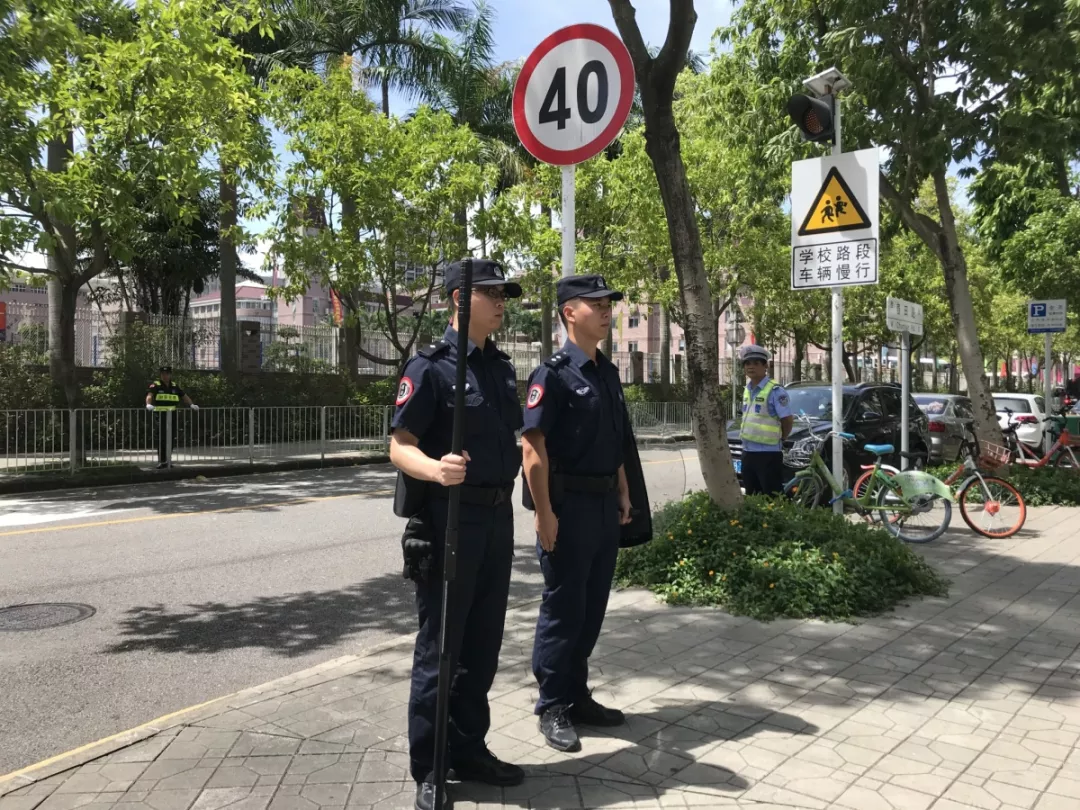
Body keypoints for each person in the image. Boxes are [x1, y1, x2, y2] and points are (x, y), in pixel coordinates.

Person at [388, 259, 525, 810]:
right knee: (441, 648)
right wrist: (435, 469)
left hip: (496, 519)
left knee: (483, 645)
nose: (501, 302)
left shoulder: (500, 368)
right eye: (492, 293)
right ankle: (430, 766)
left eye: (504, 294)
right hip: (450, 518)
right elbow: (399, 445)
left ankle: (469, 749)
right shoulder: (430, 367)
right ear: (459, 300)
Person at [520, 274, 636, 754]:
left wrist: (623, 491)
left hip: (604, 505)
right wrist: (544, 513)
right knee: (564, 608)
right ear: (569, 312)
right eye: (596, 304)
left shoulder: (606, 372)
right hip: (568, 509)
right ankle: (552, 704)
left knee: (591, 608)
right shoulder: (552, 374)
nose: (606, 311)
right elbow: (533, 449)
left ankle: (576, 694)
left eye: (609, 304)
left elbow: (617, 440)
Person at [738, 345, 793, 496]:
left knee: (771, 498)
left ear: (765, 366)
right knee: (752, 496)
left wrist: (783, 437)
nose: (751, 367)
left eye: (756, 363)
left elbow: (787, 419)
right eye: (747, 363)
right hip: (748, 452)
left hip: (768, 454)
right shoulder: (747, 389)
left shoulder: (775, 391)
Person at [145, 366, 197, 469]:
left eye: (167, 374)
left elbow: (184, 396)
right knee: (162, 438)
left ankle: (168, 460)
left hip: (172, 415)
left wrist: (191, 404)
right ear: (161, 375)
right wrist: (148, 404)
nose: (165, 376)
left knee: (171, 438)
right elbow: (149, 395)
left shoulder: (174, 386)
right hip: (161, 415)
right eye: (163, 374)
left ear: (170, 375)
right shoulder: (156, 385)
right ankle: (162, 461)